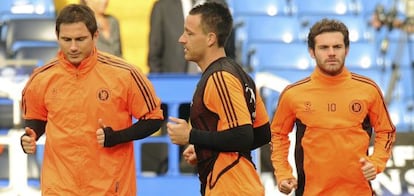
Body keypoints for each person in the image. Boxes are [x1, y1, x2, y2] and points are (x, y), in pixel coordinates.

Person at [19, 4, 164, 195]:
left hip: (109, 187)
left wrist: (117, 137)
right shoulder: (41, 78)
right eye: (66, 39)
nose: (73, 47)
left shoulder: (125, 74)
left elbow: (154, 118)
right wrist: (30, 137)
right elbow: (36, 121)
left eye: (80, 39)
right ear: (57, 37)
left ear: (96, 36)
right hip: (60, 187)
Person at [270, 18, 396, 195]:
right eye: (324, 48)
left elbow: (386, 131)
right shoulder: (293, 94)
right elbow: (278, 135)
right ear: (312, 52)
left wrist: (376, 162)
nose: (331, 53)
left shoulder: (368, 89)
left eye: (337, 47)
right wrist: (283, 173)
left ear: (347, 50)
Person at [166, 2, 270, 195]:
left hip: (231, 187)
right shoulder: (240, 74)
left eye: (189, 33)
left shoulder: (220, 77)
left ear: (210, 39)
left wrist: (191, 136)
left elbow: (242, 135)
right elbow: (262, 133)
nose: (181, 39)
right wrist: (205, 148)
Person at [148, 0, 235, 73]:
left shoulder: (221, 6)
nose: (182, 39)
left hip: (212, 81)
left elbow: (229, 52)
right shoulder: (162, 7)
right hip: (172, 86)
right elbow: (154, 57)